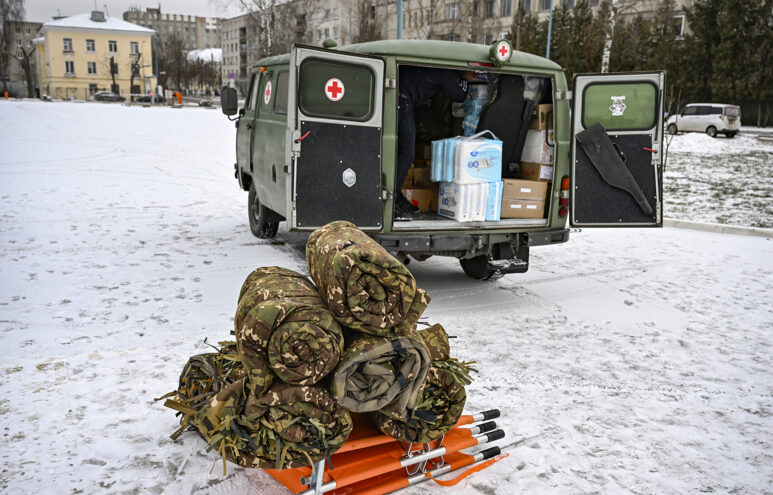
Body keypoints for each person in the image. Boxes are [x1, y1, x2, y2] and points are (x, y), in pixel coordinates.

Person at [395, 67, 475, 217]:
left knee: (401, 151)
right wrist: (465, 80)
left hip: (401, 99)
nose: (475, 75)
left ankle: (393, 196)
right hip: (402, 101)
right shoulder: (446, 73)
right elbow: (459, 95)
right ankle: (393, 199)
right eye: (473, 71)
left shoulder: (436, 71)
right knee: (406, 153)